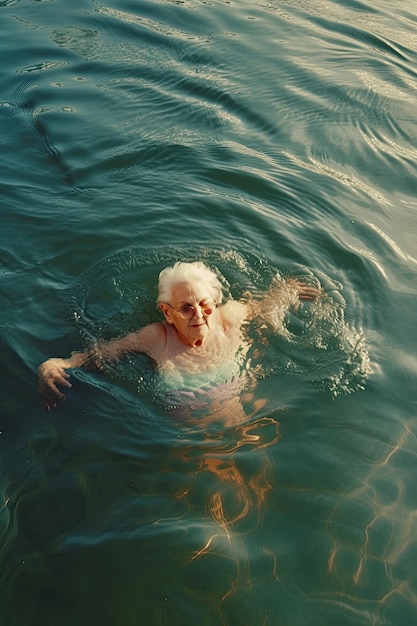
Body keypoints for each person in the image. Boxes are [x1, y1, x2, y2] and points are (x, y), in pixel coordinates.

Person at [38, 260, 322, 414]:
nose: (199, 315)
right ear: (167, 312)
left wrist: (288, 289)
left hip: (248, 418)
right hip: (192, 446)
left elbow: (265, 306)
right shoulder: (155, 338)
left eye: (205, 304)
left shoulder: (230, 317)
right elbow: (98, 354)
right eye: (186, 308)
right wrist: (55, 364)